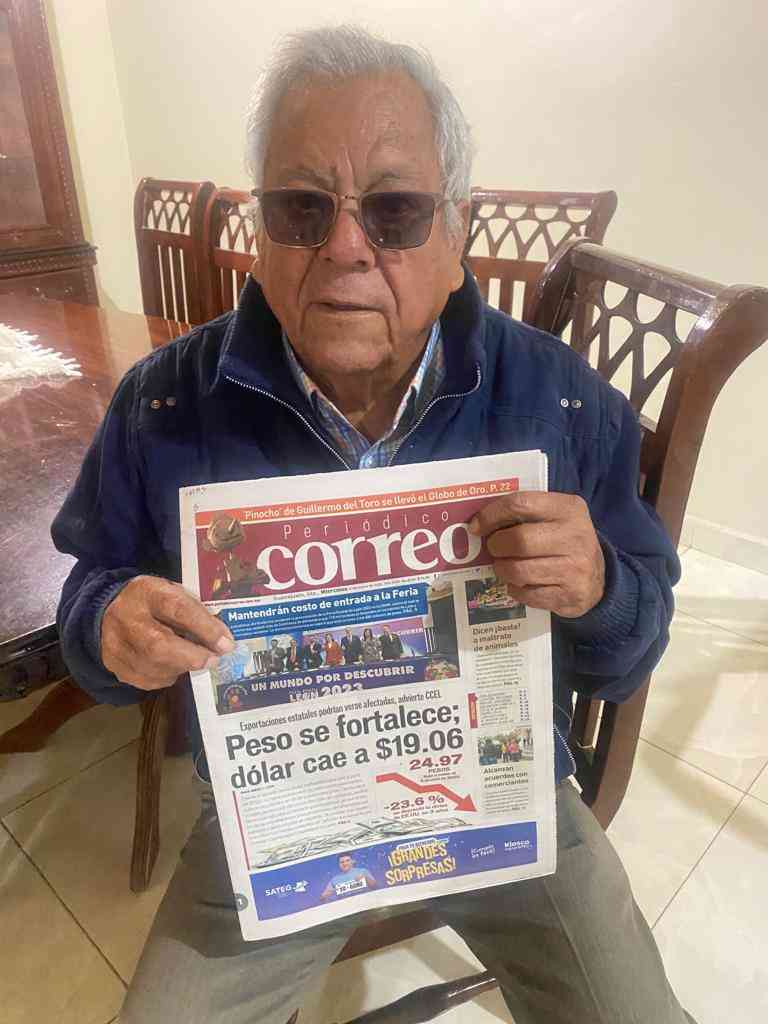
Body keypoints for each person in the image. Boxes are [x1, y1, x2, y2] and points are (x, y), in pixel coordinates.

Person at [51, 26, 691, 1024]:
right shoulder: (165, 403)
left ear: (455, 235)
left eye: (394, 212)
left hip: (506, 803)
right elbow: (88, 601)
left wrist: (603, 586)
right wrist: (107, 625)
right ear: (259, 232)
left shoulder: (558, 401)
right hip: (278, 821)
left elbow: (631, 653)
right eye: (302, 208)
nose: (345, 247)